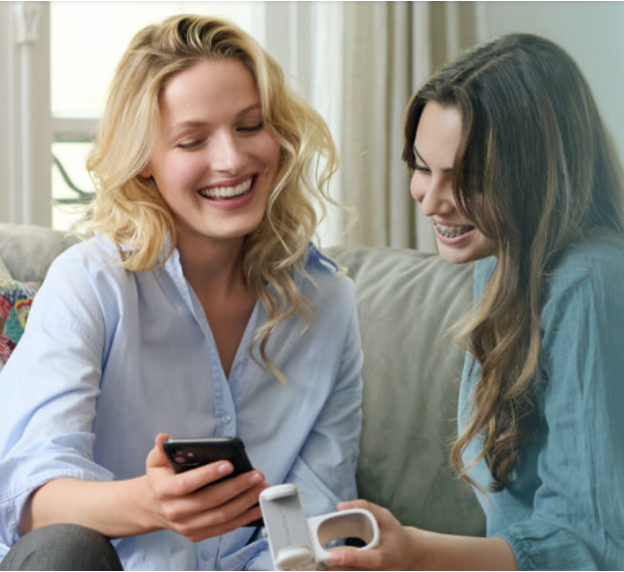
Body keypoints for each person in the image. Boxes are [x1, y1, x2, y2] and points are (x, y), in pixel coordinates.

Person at [0, 14, 364, 571]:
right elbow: (31, 500)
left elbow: (313, 516)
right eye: (193, 140)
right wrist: (148, 505)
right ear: (145, 162)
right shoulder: (93, 283)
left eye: (249, 126)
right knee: (64, 551)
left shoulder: (327, 303)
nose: (232, 160)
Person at [328, 33, 624, 571]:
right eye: (421, 167)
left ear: (539, 173)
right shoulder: (499, 257)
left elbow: (592, 546)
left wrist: (416, 553)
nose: (432, 201)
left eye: (469, 179)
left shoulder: (590, 283)